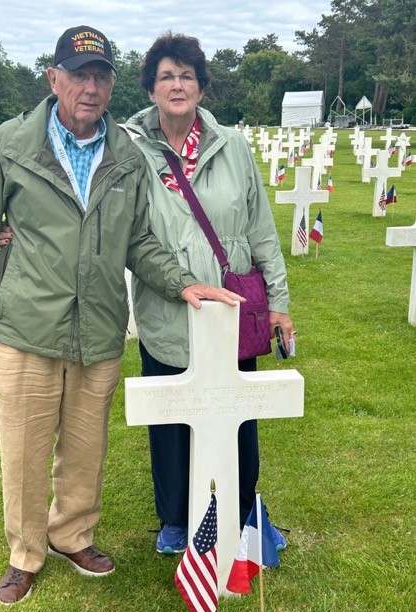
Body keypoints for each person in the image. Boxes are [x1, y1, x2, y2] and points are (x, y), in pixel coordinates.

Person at [0, 25, 243, 606]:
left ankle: (72, 534)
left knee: (86, 449)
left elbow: (139, 239)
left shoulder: (127, 153)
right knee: (25, 450)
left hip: (100, 327)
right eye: (79, 73)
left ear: (112, 84)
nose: (90, 86)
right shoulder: (12, 143)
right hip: (26, 328)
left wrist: (186, 283)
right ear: (53, 77)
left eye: (101, 75)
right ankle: (25, 554)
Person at [124, 33, 295, 554]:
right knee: (174, 418)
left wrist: (280, 303)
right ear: (151, 88)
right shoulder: (129, 150)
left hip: (232, 310)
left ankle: (243, 512)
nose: (177, 85)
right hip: (168, 308)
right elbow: (124, 231)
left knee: (236, 414)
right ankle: (176, 518)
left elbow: (262, 229)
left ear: (201, 86)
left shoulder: (234, 147)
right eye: (167, 76)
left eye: (188, 76)